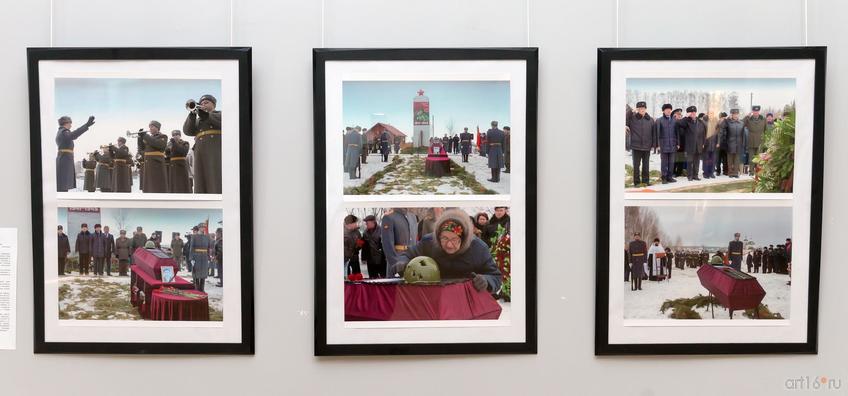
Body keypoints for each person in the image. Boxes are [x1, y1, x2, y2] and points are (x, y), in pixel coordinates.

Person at [391, 209, 502, 292]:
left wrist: (486, 281)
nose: (449, 245)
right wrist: (402, 262)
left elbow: (495, 276)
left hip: (466, 299)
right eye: (444, 238)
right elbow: (408, 254)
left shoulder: (479, 248)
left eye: (454, 239)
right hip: (435, 297)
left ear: (463, 239)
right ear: (438, 236)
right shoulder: (429, 242)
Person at [183, 94, 222, 193]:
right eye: (201, 103)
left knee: (214, 173)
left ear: (213, 105)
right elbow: (187, 131)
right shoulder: (198, 119)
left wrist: (205, 114)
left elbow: (218, 121)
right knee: (200, 175)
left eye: (206, 102)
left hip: (214, 148)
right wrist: (192, 115)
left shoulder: (219, 114)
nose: (203, 104)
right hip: (200, 150)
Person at [55, 115, 95, 192]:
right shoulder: (64, 131)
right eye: (70, 123)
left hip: (64, 158)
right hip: (65, 159)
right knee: (63, 184)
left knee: (64, 183)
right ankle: (62, 202)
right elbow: (73, 135)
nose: (71, 125)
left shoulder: (60, 132)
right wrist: (86, 125)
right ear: (66, 123)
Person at [625, 102, 656, 186]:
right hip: (636, 146)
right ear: (637, 109)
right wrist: (631, 111)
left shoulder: (650, 120)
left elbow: (653, 133)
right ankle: (636, 182)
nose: (642, 110)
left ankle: (646, 181)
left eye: (643, 108)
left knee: (646, 166)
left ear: (646, 109)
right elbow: (625, 118)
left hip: (647, 146)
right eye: (640, 108)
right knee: (636, 166)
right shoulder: (632, 118)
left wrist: (653, 145)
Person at [380, 208, 418, 277]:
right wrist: (395, 266)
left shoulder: (413, 217)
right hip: (398, 260)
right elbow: (388, 245)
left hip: (412, 261)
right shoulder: (389, 217)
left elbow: (415, 241)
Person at [676, 106, 707, 181]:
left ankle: (695, 175)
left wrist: (703, 143)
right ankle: (689, 176)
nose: (693, 114)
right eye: (691, 113)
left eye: (694, 112)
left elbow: (704, 133)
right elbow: (678, 123)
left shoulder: (700, 122)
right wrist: (686, 117)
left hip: (698, 145)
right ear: (688, 114)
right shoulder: (686, 122)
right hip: (690, 146)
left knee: (697, 162)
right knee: (690, 162)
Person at [137, 121, 168, 193]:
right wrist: (140, 138)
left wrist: (145, 136)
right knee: (149, 183)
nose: (150, 128)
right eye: (149, 127)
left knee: (157, 182)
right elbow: (141, 148)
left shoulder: (163, 136)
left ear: (157, 128)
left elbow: (158, 144)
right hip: (148, 162)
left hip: (157, 162)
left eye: (152, 126)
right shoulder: (148, 138)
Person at [655, 103, 678, 183]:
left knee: (671, 162)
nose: (668, 111)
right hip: (663, 145)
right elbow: (657, 133)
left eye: (669, 109)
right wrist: (658, 145)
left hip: (672, 145)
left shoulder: (674, 120)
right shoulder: (659, 120)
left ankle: (670, 177)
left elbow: (676, 133)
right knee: (664, 163)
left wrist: (677, 143)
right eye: (666, 109)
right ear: (663, 111)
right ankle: (664, 178)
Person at [719, 109, 746, 178]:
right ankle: (730, 172)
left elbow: (743, 134)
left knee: (737, 159)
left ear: (738, 114)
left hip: (739, 143)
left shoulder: (741, 123)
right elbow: (722, 128)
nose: (736, 115)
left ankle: (735, 172)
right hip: (730, 143)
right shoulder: (728, 122)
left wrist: (743, 143)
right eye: (734, 114)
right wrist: (727, 119)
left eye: (737, 114)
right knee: (730, 159)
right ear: (732, 114)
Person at [744, 105, 767, 175]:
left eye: (757, 111)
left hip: (760, 141)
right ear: (752, 111)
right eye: (754, 111)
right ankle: (751, 171)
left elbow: (766, 131)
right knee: (751, 158)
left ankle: (758, 171)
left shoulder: (763, 119)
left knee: (760, 158)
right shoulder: (749, 119)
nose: (756, 113)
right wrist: (746, 116)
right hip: (751, 141)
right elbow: (742, 123)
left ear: (759, 111)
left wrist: (765, 141)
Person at [189, 226, 212, 291]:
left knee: (203, 274)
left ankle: (202, 289)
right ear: (199, 228)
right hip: (196, 257)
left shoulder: (207, 237)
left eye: (204, 227)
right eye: (202, 227)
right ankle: (197, 289)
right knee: (196, 274)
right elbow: (191, 248)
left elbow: (208, 248)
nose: (203, 228)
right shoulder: (194, 236)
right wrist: (191, 258)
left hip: (204, 257)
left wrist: (208, 257)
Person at [703, 113, 718, 179]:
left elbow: (718, 134)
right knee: (706, 159)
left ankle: (711, 172)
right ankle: (706, 173)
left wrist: (718, 142)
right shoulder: (704, 122)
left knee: (713, 159)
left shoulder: (716, 123)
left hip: (714, 144)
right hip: (706, 144)